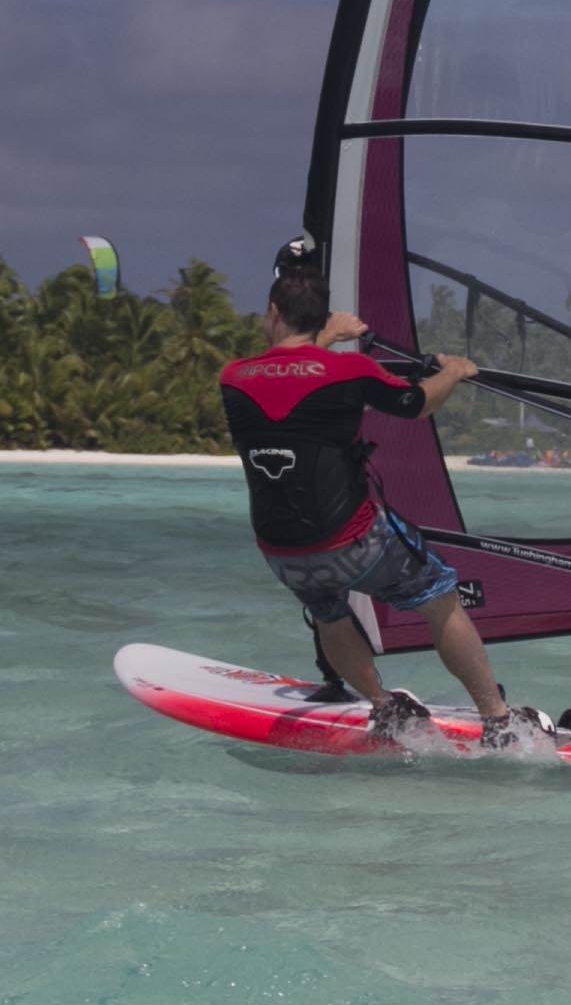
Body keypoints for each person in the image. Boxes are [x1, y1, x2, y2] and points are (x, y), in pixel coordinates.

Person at [219, 237, 531, 747]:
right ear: (320, 319)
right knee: (440, 597)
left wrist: (325, 336)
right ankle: (497, 721)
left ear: (273, 313)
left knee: (328, 612)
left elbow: (289, 378)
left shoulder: (234, 378)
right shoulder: (351, 370)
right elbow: (417, 404)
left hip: (282, 554)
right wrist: (453, 372)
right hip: (355, 543)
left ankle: (384, 707)